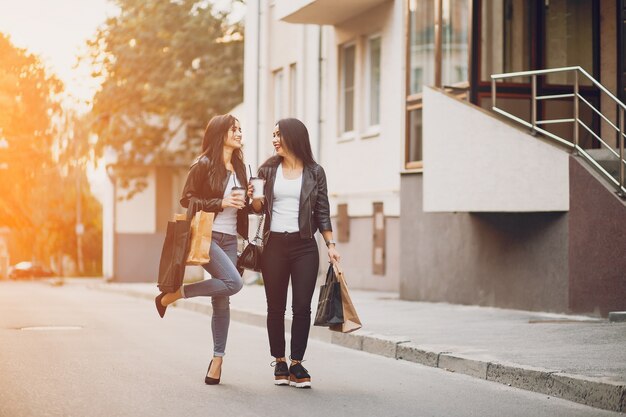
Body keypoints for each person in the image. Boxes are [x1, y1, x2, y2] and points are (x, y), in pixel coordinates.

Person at [155, 114, 250, 386]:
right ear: (221, 133)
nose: (239, 133)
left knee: (222, 298)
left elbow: (249, 205)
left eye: (241, 129)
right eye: (235, 129)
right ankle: (175, 294)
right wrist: (220, 202)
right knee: (234, 283)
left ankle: (217, 360)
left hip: (231, 238)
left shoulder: (241, 168)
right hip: (207, 236)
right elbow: (188, 199)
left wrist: (255, 200)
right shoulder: (203, 164)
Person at [250, 118, 341, 389]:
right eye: (273, 135)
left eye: (279, 135)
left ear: (293, 137)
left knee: (302, 307)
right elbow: (256, 209)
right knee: (275, 307)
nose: (275, 139)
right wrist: (254, 194)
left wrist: (331, 246)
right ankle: (279, 360)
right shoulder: (266, 169)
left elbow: (322, 210)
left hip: (304, 246)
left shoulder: (315, 172)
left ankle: (297, 363)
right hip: (274, 245)